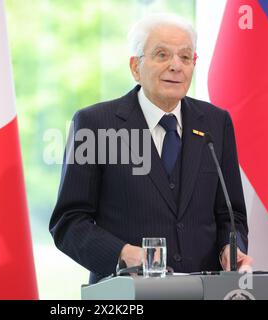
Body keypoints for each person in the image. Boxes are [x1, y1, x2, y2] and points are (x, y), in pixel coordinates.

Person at [49, 13, 253, 284]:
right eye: (162, 55)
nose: (175, 66)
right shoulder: (95, 124)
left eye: (185, 57)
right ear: (135, 67)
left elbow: (232, 214)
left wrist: (231, 247)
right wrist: (123, 254)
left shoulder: (216, 123)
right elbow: (69, 222)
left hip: (203, 290)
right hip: (127, 291)